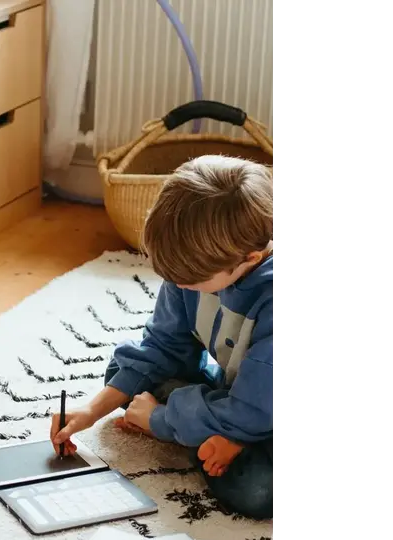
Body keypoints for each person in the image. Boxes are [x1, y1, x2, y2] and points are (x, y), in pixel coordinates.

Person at [51, 155, 275, 520]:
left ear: (249, 258)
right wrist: (92, 410)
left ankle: (214, 432)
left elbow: (257, 410)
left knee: (257, 490)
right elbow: (163, 345)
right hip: (244, 392)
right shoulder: (192, 268)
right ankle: (211, 430)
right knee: (128, 382)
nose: (178, 284)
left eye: (190, 279)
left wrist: (158, 420)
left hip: (268, 408)